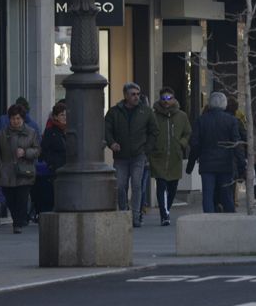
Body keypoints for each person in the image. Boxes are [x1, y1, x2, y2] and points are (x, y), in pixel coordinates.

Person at [104, 82, 158, 227]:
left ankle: (135, 215)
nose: (136, 97)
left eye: (138, 94)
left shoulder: (146, 112)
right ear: (125, 96)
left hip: (138, 155)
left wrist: (147, 149)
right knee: (121, 185)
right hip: (120, 156)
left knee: (136, 184)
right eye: (133, 94)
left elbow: (154, 131)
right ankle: (123, 212)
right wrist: (112, 143)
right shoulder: (114, 112)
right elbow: (106, 130)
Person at [186, 92, 246, 214]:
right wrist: (242, 166)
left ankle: (208, 219)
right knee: (226, 194)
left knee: (208, 194)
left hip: (207, 163)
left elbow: (195, 143)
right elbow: (236, 144)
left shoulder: (201, 120)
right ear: (224, 105)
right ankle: (231, 218)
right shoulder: (231, 121)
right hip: (225, 164)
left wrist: (190, 164)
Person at [0, 97, 39, 229]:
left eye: (18, 118)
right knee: (10, 198)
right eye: (13, 118)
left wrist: (25, 152)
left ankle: (17, 223)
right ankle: (16, 218)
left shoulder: (31, 132)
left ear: (23, 119)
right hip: (6, 171)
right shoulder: (2, 133)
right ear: (9, 119)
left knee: (22, 199)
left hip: (25, 171)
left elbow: (37, 150)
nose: (15, 121)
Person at [149, 87, 190, 226]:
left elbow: (187, 133)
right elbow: (148, 133)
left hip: (174, 156)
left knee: (172, 187)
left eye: (169, 98)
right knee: (161, 185)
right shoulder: (154, 116)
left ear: (173, 99)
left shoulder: (182, 116)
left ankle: (167, 209)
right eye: (163, 98)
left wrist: (181, 143)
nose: (166, 101)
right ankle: (164, 215)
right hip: (158, 156)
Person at [34, 102, 68, 218]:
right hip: (55, 170)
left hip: (68, 168)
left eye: (66, 114)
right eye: (62, 115)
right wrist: (51, 164)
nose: (65, 117)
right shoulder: (51, 131)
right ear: (55, 117)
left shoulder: (70, 131)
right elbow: (44, 150)